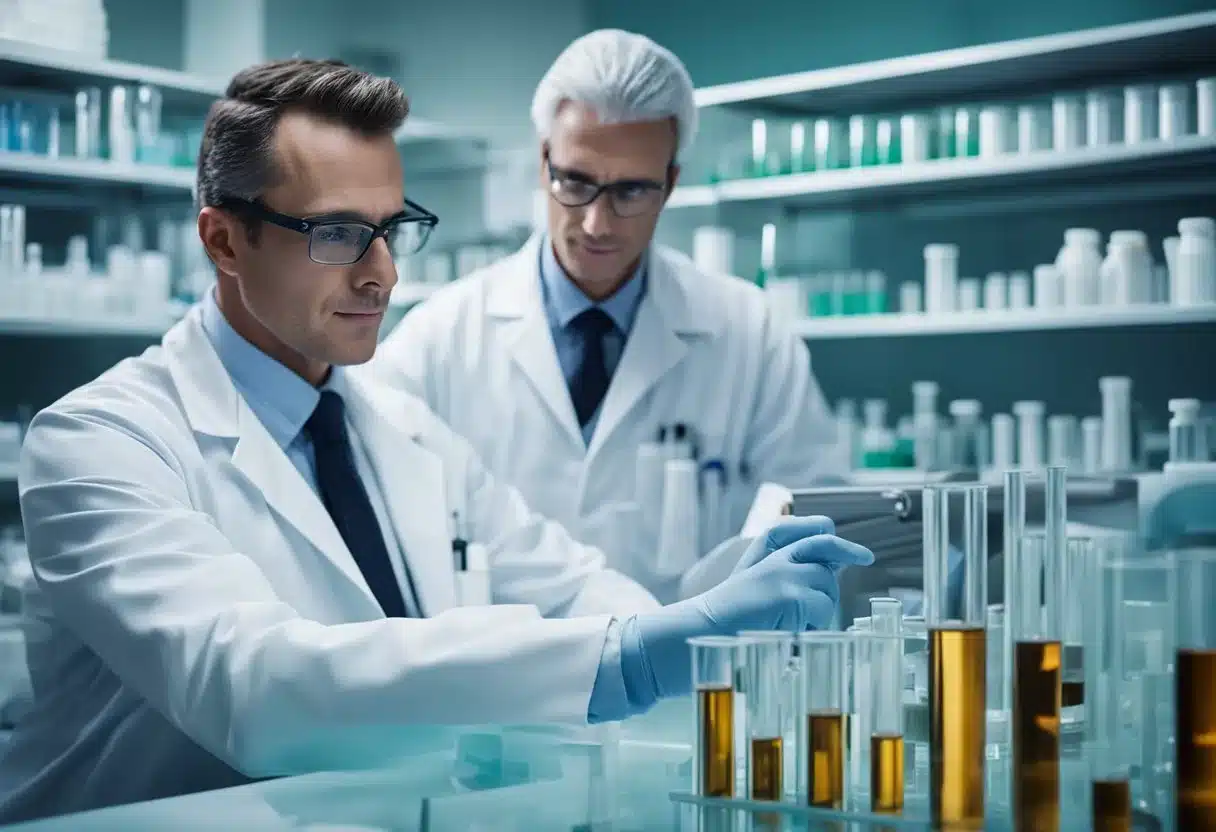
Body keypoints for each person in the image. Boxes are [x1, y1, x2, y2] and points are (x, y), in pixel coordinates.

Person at [0, 59, 872, 822]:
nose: (381, 271)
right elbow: (256, 686)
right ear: (225, 239)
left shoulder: (401, 429)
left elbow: (572, 588)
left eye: (392, 227)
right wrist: (633, 660)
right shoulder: (101, 445)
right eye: (338, 233)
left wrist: (701, 618)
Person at [372, 30, 848, 598]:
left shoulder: (750, 332)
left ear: (671, 183)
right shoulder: (439, 339)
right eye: (576, 182)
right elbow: (384, 518)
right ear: (543, 159)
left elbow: (811, 516)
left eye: (631, 191)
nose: (598, 223)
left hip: (692, 676)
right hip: (511, 675)